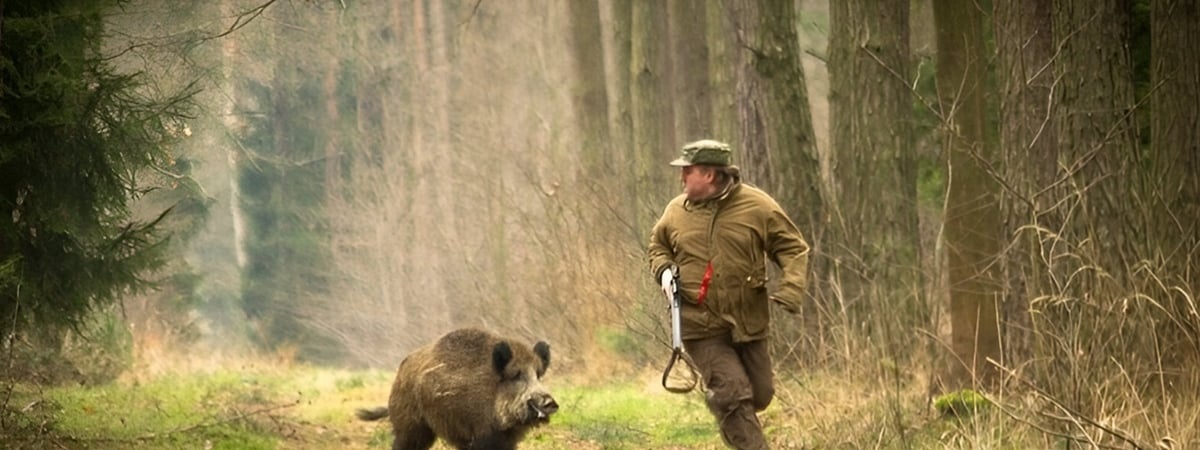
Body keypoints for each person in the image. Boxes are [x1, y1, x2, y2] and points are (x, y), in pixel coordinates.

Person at [647, 139, 810, 450]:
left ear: (709, 174)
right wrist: (665, 271)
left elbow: (793, 247)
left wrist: (790, 289)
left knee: (759, 394)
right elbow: (657, 247)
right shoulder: (675, 211)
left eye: (688, 171)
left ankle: (725, 405)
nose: (681, 178)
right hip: (698, 323)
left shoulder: (758, 207)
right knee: (734, 393)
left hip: (748, 320)